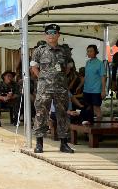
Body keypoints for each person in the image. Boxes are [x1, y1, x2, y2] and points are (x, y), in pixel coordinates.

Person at [30, 24, 75, 154]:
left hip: (60, 88)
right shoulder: (39, 50)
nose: (51, 35)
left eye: (54, 32)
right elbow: (34, 67)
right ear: (45, 35)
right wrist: (43, 78)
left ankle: (64, 144)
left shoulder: (65, 51)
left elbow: (68, 68)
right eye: (49, 33)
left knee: (62, 114)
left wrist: (59, 78)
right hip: (44, 88)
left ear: (58, 35)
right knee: (41, 114)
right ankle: (39, 144)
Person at [82, 44, 107, 122]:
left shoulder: (100, 63)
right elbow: (86, 76)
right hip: (86, 89)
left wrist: (103, 90)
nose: (89, 53)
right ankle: (90, 128)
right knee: (88, 108)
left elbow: (103, 77)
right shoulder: (87, 62)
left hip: (96, 90)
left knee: (96, 108)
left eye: (91, 51)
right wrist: (80, 86)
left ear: (95, 52)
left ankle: (99, 128)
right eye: (88, 51)